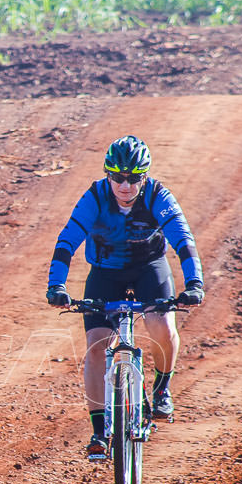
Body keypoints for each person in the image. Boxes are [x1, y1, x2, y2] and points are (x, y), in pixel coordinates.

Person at [46, 135, 204, 460]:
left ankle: (161, 390)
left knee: (161, 324)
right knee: (96, 346)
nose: (126, 185)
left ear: (144, 177)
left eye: (134, 177)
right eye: (118, 176)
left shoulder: (158, 196)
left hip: (149, 269)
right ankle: (100, 430)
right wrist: (56, 286)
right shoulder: (95, 196)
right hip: (105, 273)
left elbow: (182, 240)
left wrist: (194, 283)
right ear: (108, 174)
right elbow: (67, 240)